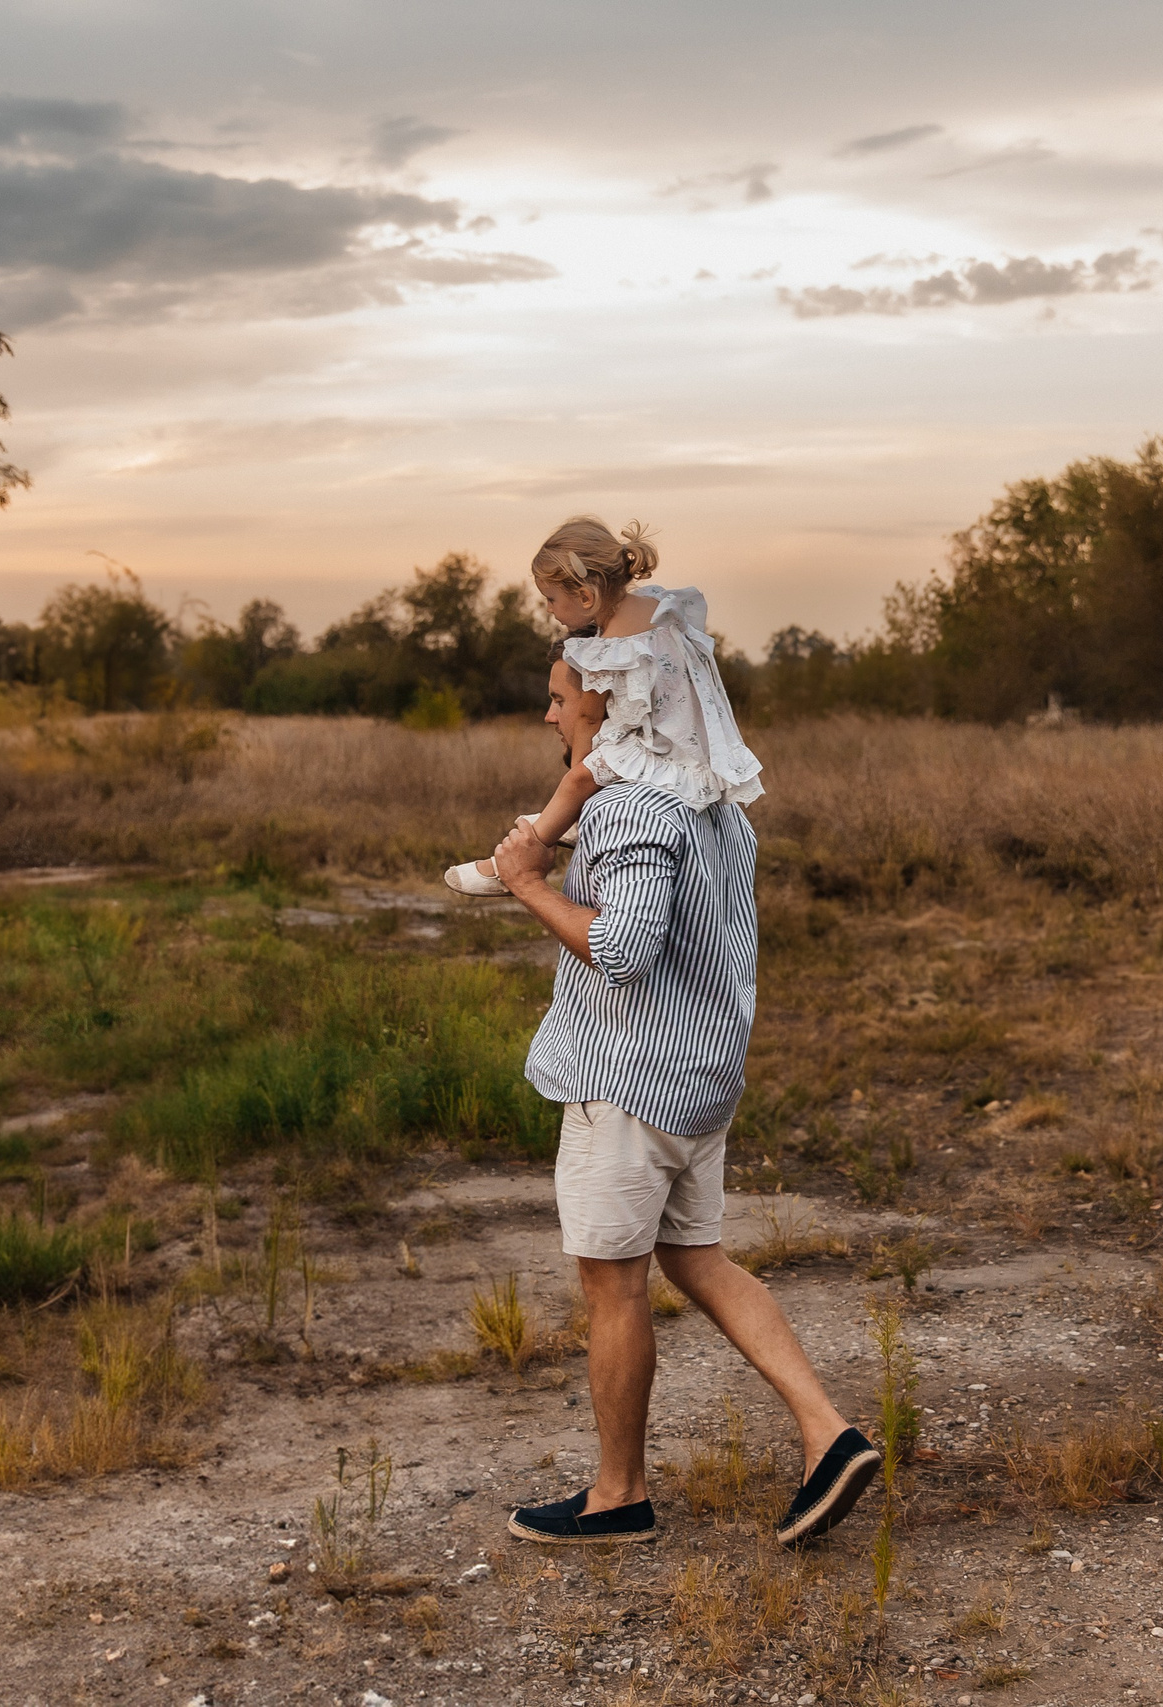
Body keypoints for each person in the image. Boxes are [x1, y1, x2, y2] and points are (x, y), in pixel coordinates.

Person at [489, 640, 878, 1547]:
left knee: (612, 1287)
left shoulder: (630, 810)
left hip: (626, 1085)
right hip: (697, 1078)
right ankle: (829, 1433)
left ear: (608, 702)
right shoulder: (715, 804)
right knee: (697, 1258)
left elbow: (621, 949)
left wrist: (527, 884)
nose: (550, 714)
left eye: (560, 698)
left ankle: (617, 1496)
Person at [446, 516, 761, 897]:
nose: (548, 609)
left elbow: (588, 716)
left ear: (585, 596)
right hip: (689, 742)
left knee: (576, 782)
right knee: (581, 781)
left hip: (656, 746)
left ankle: (513, 863)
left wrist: (581, 773)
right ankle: (559, 822)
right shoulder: (662, 607)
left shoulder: (607, 647)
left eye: (551, 599)